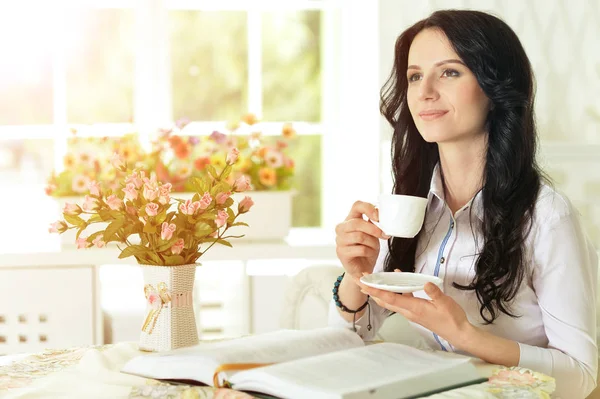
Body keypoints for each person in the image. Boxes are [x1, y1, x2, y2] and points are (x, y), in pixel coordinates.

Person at [329, 9, 598, 398]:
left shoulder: (547, 216)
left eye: (450, 72)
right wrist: (356, 275)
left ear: (495, 87)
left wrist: (463, 335)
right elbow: (353, 334)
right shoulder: (410, 204)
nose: (424, 92)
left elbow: (581, 376)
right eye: (415, 76)